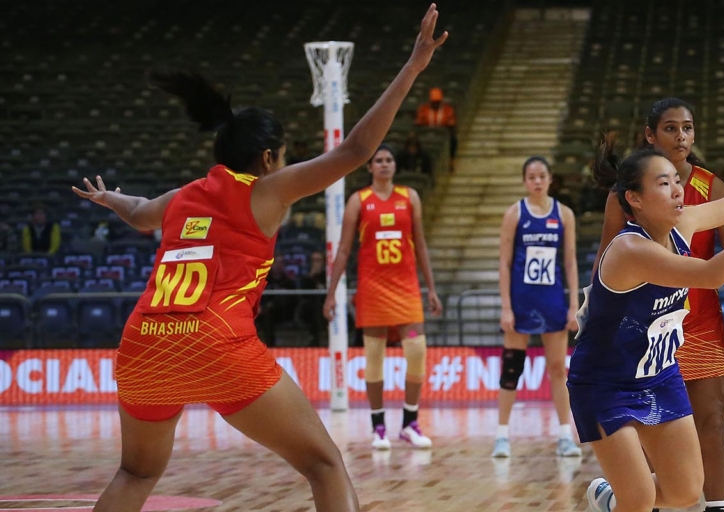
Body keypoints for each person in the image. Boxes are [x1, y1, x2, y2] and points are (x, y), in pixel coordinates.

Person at [70, 6, 446, 511]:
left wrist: (108, 199)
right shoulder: (264, 191)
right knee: (323, 464)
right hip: (214, 341)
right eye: (285, 156)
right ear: (268, 158)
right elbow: (355, 149)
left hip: (144, 343)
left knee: (135, 472)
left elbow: (140, 214)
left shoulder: (185, 195)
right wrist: (413, 67)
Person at [572, 140, 724, 512]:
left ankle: (609, 498)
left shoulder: (681, 223)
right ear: (635, 200)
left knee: (687, 492)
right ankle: (621, 497)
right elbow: (712, 273)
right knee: (639, 499)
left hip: (658, 375)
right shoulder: (630, 250)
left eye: (677, 180)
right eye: (663, 183)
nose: (677, 190)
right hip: (606, 383)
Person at [591, 98, 724, 512]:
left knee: (710, 427)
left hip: (701, 324)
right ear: (650, 136)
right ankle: (633, 499)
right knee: (653, 435)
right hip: (643, 332)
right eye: (671, 129)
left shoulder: (710, 188)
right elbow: (604, 268)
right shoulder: (626, 199)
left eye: (688, 128)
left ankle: (717, 506)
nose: (682, 136)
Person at [323, 144, 443, 450]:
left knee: (416, 349)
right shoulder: (358, 201)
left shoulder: (409, 197)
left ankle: (410, 423)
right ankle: (378, 428)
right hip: (373, 290)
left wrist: (431, 288)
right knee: (373, 357)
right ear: (370, 167)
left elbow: (422, 246)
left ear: (395, 165)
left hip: (406, 288)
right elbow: (344, 250)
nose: (385, 164)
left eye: (389, 159)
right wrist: (331, 293)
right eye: (379, 160)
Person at [492, 156, 582, 459]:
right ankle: (502, 436)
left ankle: (564, 436)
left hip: (553, 301)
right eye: (532, 177)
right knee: (512, 368)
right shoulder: (514, 214)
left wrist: (573, 306)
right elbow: (504, 263)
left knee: (558, 369)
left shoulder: (564, 214)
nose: (537, 181)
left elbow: (569, 262)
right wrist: (506, 307)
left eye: (542, 176)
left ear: (550, 178)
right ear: (524, 181)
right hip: (522, 302)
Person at [415, 86, 457, 167]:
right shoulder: (423, 109)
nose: (436, 103)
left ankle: (451, 161)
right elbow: (419, 122)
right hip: (426, 133)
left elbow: (451, 122)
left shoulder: (447, 109)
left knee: (453, 139)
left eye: (438, 101)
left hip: (443, 134)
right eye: (434, 102)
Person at [298, 250, 329, 346]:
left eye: (318, 260)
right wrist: (312, 275)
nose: (316, 263)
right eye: (313, 260)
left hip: (327, 305)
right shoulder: (306, 277)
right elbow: (304, 294)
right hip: (309, 308)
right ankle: (317, 338)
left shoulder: (328, 276)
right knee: (314, 306)